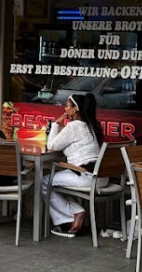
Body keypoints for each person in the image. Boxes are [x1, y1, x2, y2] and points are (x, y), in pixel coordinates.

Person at [44, 93, 105, 237]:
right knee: (54, 180)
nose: (65, 109)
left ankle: (70, 217)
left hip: (85, 175)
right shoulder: (92, 125)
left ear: (75, 109)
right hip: (101, 176)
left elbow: (52, 145)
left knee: (44, 181)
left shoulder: (74, 126)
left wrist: (55, 125)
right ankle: (74, 211)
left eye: (67, 106)